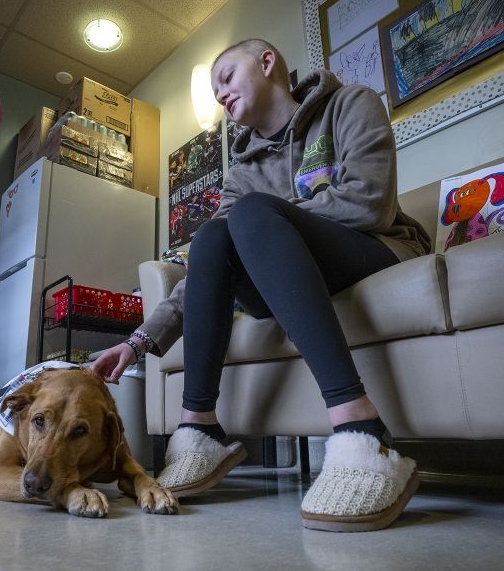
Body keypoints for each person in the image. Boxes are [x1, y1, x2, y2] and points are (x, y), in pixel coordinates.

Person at [92, 39, 431, 532]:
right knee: (210, 237)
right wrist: (140, 341)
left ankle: (360, 426)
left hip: (371, 250)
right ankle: (198, 427)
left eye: (226, 77)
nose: (220, 96)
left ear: (268, 62)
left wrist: (269, 223)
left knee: (250, 217)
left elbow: (369, 204)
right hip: (284, 267)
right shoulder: (244, 169)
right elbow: (205, 269)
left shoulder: (349, 103)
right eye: (215, 90)